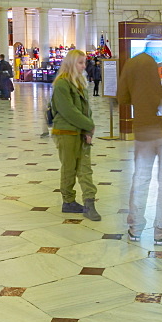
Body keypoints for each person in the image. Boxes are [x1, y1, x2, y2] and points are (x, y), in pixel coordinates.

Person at [120, 38, 162, 245]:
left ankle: (135, 228)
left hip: (143, 129)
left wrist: (140, 100)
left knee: (141, 178)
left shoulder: (133, 63)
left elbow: (122, 97)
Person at [50, 49, 99, 221]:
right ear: (71, 63)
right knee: (69, 167)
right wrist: (89, 125)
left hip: (81, 131)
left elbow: (86, 110)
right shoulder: (62, 84)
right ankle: (68, 200)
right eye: (80, 62)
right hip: (66, 132)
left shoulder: (80, 82)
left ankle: (89, 202)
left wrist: (88, 129)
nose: (83, 66)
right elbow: (68, 111)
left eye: (84, 62)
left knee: (85, 168)